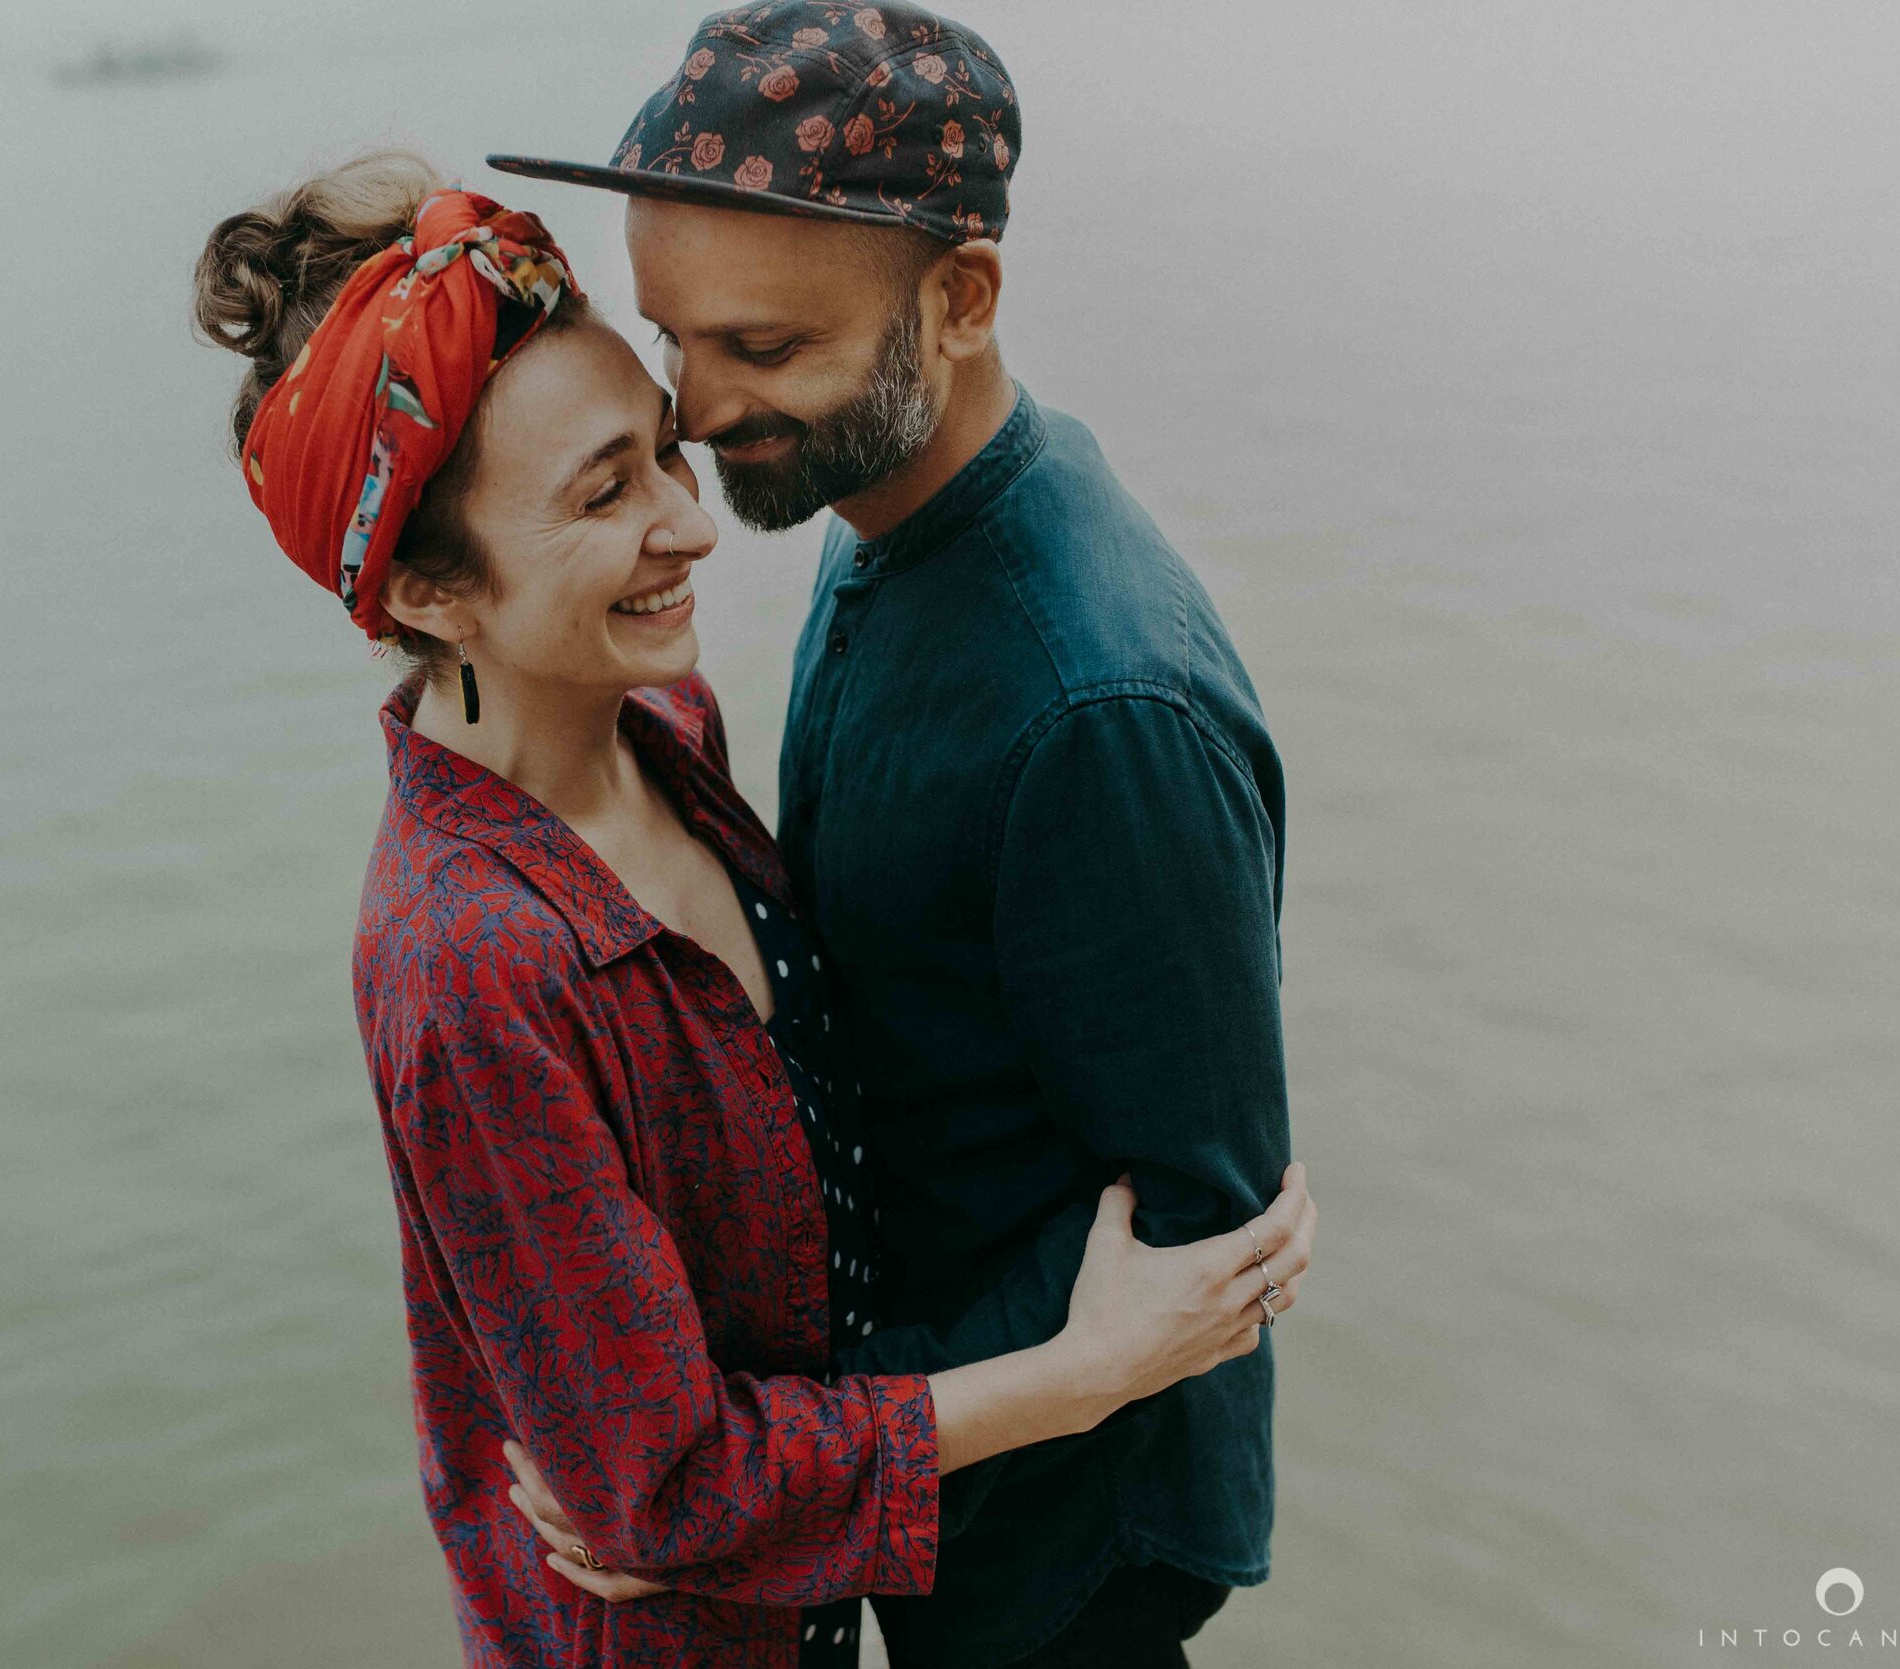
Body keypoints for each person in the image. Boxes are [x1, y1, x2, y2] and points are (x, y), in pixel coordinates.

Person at [190, 151, 1316, 1669]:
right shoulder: (473, 967)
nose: (694, 519)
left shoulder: (669, 731)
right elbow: (660, 1489)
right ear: (429, 598)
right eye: (606, 492)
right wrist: (1081, 1365)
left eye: (662, 449)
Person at [487, 5, 1302, 1666]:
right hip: (924, 1458)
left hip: (1059, 1544)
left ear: (963, 299)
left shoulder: (1099, 708)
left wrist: (750, 1472)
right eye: (674, 339)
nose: (696, 418)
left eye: (765, 352)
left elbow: (1206, 1228)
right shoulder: (889, 524)